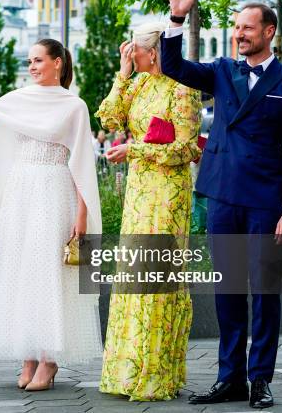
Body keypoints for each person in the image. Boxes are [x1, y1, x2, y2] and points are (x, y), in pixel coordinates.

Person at [162, 0, 282, 408]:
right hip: (223, 197)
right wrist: (176, 19)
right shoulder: (223, 72)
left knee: (264, 291)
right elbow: (174, 66)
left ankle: (260, 378)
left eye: (247, 28)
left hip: (268, 203)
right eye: (235, 29)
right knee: (227, 290)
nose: (238, 35)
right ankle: (230, 378)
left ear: (269, 31)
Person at [0, 39, 103, 391]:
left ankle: (49, 359)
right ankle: (29, 355)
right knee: (23, 271)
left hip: (55, 191)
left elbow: (82, 165)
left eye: (38, 60)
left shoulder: (74, 107)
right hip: (21, 193)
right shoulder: (18, 99)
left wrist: (83, 215)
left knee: (50, 273)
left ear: (57, 63)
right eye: (29, 61)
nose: (31, 66)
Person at [96, 22, 201, 400]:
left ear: (152, 53)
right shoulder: (138, 84)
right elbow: (108, 118)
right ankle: (126, 373)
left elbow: (188, 149)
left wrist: (135, 150)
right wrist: (122, 75)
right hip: (139, 192)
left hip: (168, 195)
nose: (130, 55)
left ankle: (157, 375)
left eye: (134, 52)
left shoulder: (182, 87)